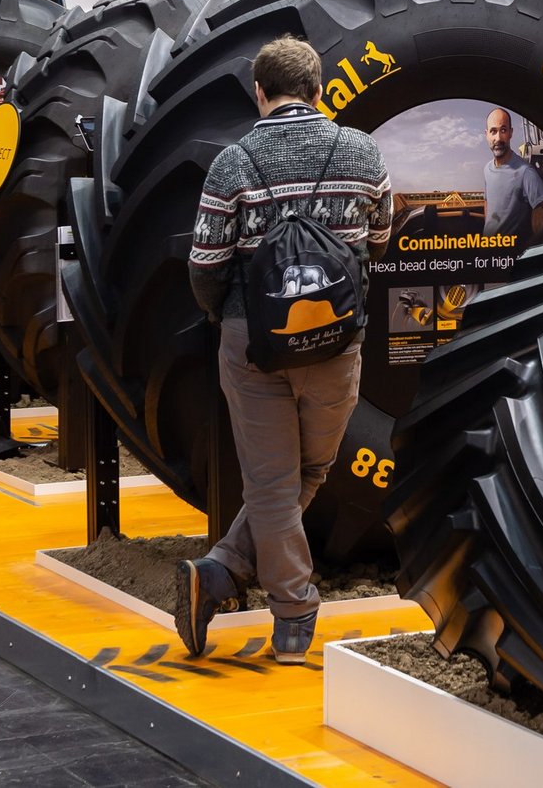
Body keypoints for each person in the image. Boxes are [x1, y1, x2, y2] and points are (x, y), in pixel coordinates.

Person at [176, 35, 391, 664]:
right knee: (311, 470)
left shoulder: (233, 162)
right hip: (335, 340)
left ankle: (253, 590)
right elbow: (379, 235)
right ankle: (272, 601)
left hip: (253, 344)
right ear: (318, 90)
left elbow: (205, 263)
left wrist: (226, 314)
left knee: (273, 482)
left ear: (259, 92)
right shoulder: (361, 151)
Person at [481, 107, 543, 243]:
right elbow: (487, 202)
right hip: (486, 249)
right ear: (487, 134)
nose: (498, 138)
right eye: (493, 131)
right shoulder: (486, 169)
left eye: (503, 130)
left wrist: (532, 244)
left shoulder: (525, 171)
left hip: (508, 253)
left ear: (511, 133)